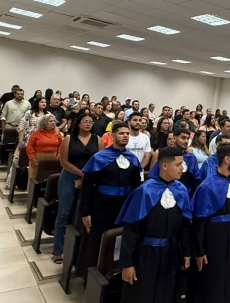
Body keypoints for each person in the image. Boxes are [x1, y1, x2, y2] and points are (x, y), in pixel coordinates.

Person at [116, 147, 192, 303]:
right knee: (142, 294)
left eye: (182, 164)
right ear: (164, 166)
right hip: (144, 254)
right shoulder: (144, 191)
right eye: (178, 165)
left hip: (169, 253)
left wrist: (186, 252)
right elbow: (131, 230)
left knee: (165, 294)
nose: (182, 169)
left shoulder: (181, 190)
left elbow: (184, 226)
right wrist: (127, 264)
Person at [76, 122, 142, 279]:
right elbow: (87, 187)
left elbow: (136, 186)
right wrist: (85, 212)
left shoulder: (132, 158)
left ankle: (115, 274)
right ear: (112, 136)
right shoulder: (100, 157)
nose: (125, 136)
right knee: (97, 239)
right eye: (121, 133)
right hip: (102, 205)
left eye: (127, 133)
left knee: (120, 239)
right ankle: (90, 277)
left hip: (124, 205)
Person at [189, 143, 230, 303]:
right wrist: (199, 251)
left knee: (228, 279)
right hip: (213, 239)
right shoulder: (207, 186)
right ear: (227, 159)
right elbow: (199, 222)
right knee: (213, 281)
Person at [52, 112, 104, 264]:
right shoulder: (69, 138)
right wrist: (82, 174)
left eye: (90, 122)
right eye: (85, 121)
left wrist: (88, 177)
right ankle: (58, 251)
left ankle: (77, 250)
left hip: (89, 180)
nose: (88, 124)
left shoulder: (98, 140)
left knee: (81, 214)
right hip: (69, 177)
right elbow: (63, 162)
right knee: (64, 213)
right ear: (78, 123)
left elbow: (100, 160)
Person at [4, 96, 48, 188]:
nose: (44, 104)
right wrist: (20, 141)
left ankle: (31, 186)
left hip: (42, 141)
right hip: (28, 139)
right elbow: (22, 127)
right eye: (42, 102)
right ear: (37, 103)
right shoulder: (30, 113)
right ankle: (11, 183)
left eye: (45, 102)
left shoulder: (48, 114)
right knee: (18, 161)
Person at [149, 128, 201, 197]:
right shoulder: (166, 155)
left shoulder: (191, 158)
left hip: (185, 195)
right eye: (183, 138)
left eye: (188, 139)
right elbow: (153, 176)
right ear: (174, 138)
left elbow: (196, 180)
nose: (186, 141)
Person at [26, 114, 62, 178]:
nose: (53, 123)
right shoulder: (36, 133)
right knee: (34, 177)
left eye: (54, 121)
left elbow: (61, 145)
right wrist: (31, 158)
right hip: (38, 158)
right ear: (44, 123)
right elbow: (30, 146)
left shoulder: (57, 132)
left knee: (50, 177)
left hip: (53, 158)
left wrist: (59, 155)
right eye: (50, 121)